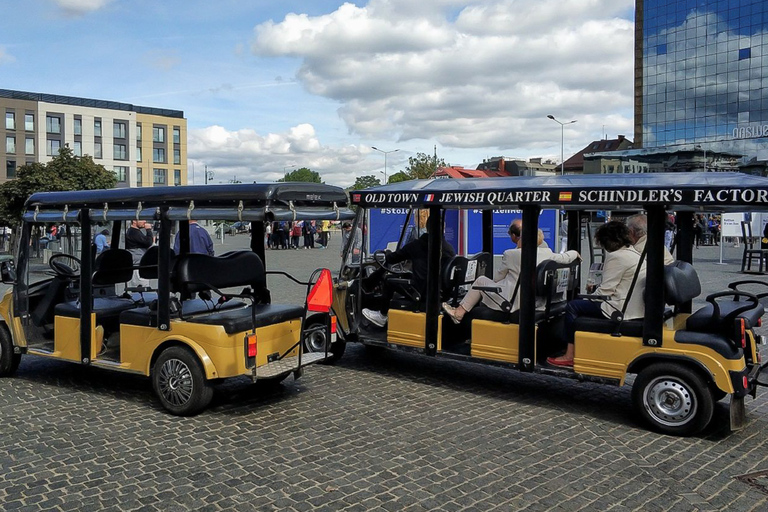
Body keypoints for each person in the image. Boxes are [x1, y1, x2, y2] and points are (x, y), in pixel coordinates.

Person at [547, 221, 646, 368]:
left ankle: (569, 355)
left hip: (618, 308)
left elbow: (605, 291)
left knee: (572, 306)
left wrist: (589, 294)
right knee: (580, 303)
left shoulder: (617, 257)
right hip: (634, 306)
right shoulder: (634, 253)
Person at [442, 226, 579, 323]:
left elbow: (497, 278)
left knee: (481, 281)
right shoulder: (548, 253)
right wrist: (576, 254)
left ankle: (459, 312)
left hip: (513, 303)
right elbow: (566, 257)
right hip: (537, 302)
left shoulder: (511, 254)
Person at [362, 213, 455, 327]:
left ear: (427, 227)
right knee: (406, 275)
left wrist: (387, 253)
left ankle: (383, 315)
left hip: (421, 290)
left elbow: (393, 258)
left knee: (388, 280)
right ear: (443, 229)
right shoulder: (449, 249)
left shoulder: (417, 245)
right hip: (440, 291)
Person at [125, 220, 154, 287]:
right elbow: (148, 242)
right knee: (141, 285)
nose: (145, 221)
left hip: (138, 263)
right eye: (142, 219)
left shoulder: (134, 232)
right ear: (134, 221)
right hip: (138, 265)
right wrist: (149, 230)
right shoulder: (134, 232)